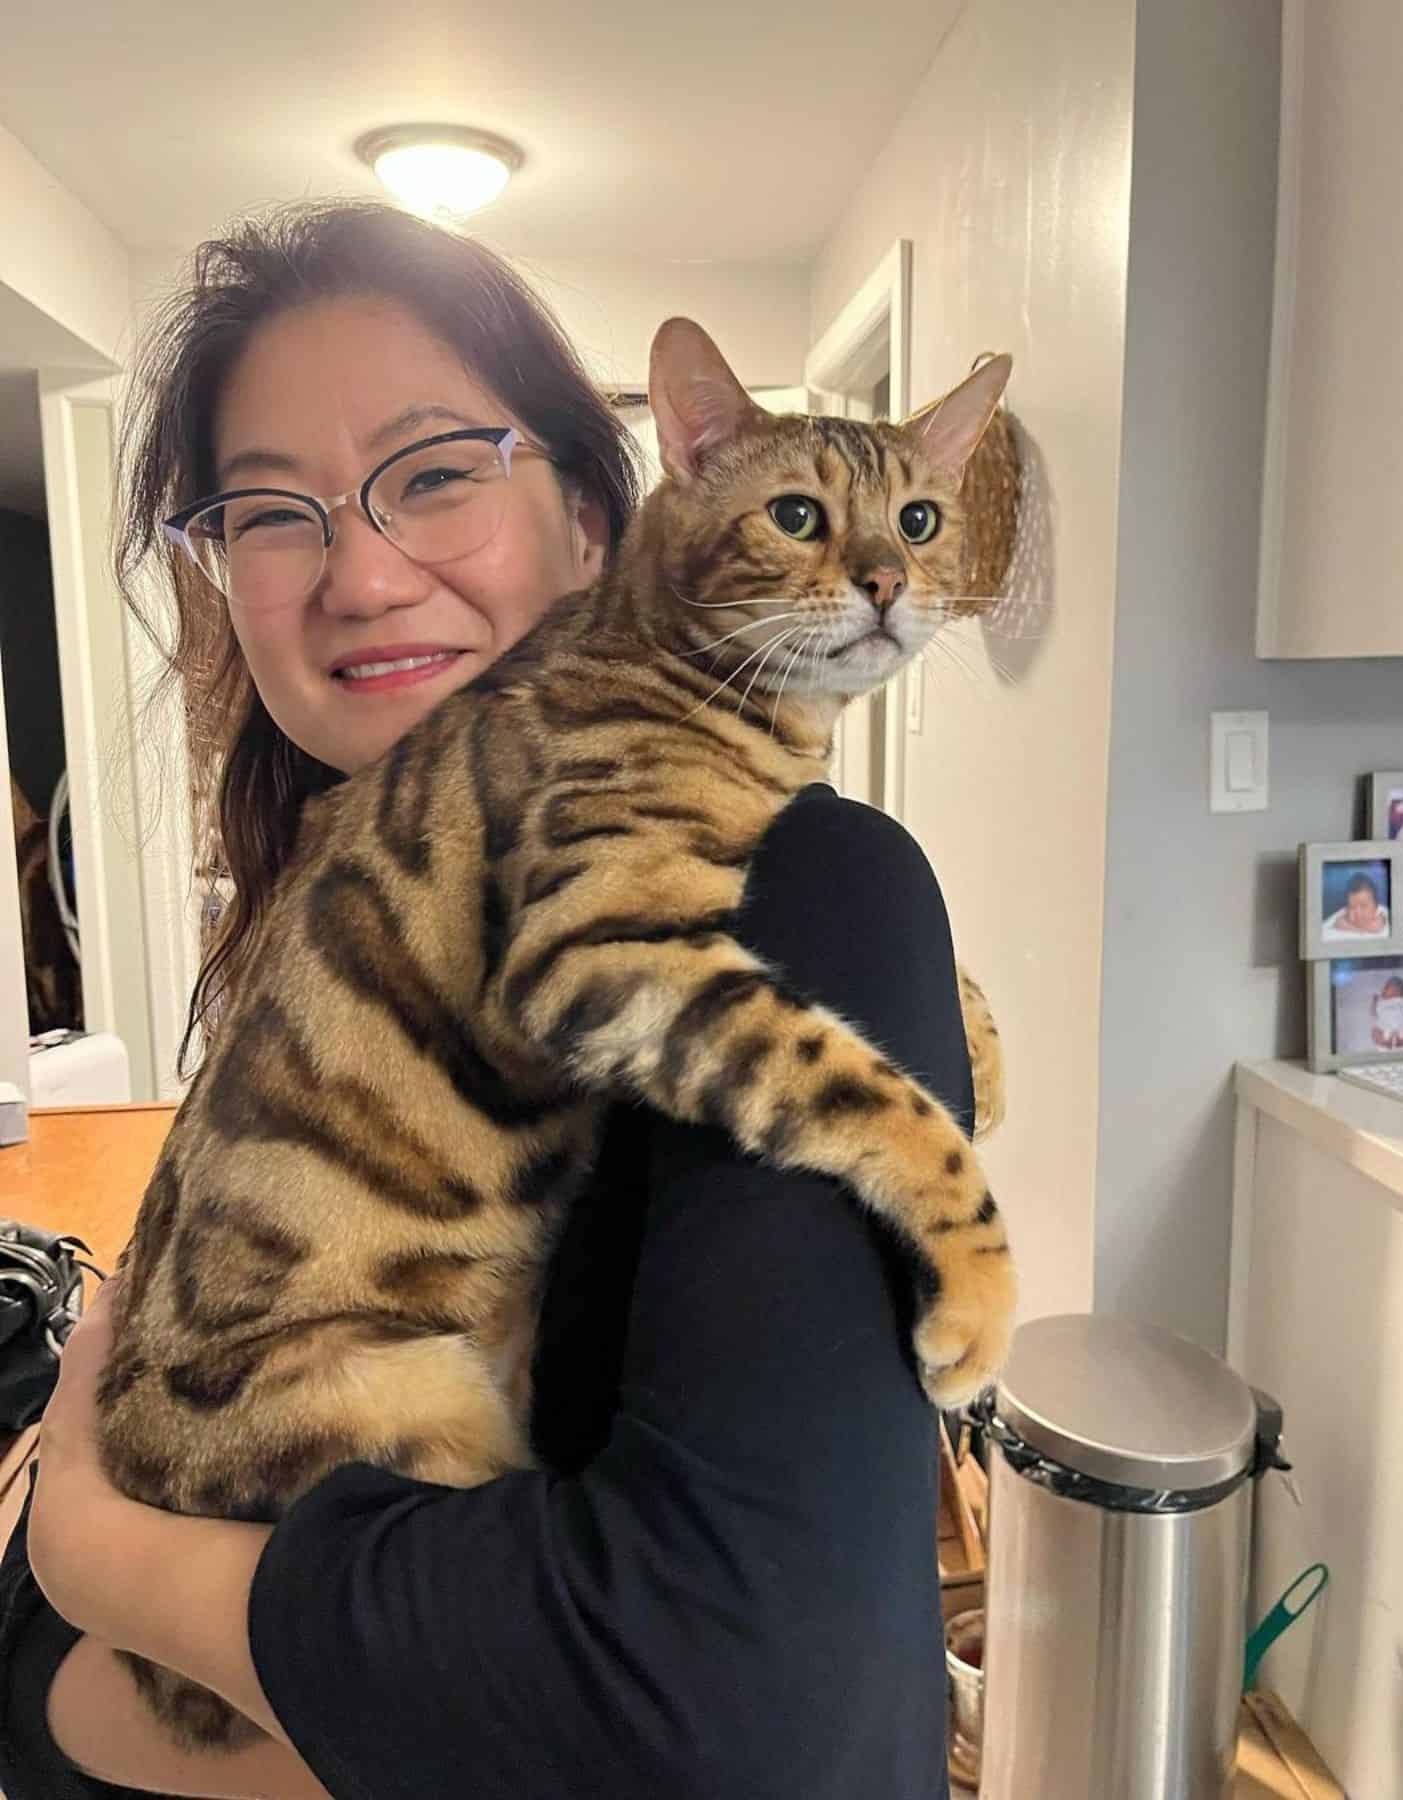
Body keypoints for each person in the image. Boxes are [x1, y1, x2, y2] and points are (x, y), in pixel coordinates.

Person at [0, 202, 974, 1800]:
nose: (363, 575)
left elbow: (721, 1718)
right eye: (266, 511)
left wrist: (90, 1566)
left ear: (605, 522)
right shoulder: (337, 890)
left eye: (438, 471)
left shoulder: (815, 881)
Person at [1322, 871, 1390, 940]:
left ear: (1375, 908)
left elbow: (1379, 926)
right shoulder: (1343, 919)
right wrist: (1359, 930)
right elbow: (1338, 922)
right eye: (1352, 907)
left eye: (1363, 906)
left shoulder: (1380, 918)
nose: (1358, 913)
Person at [1371, 975, 1403, 1050]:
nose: (1393, 992)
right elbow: (1374, 1014)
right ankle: (1384, 1042)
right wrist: (1374, 1001)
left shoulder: (1401, 1001)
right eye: (1388, 989)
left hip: (1401, 1028)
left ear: (1400, 993)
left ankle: (1402, 1042)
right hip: (1384, 1028)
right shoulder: (1382, 1002)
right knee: (1374, 1031)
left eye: (1396, 990)